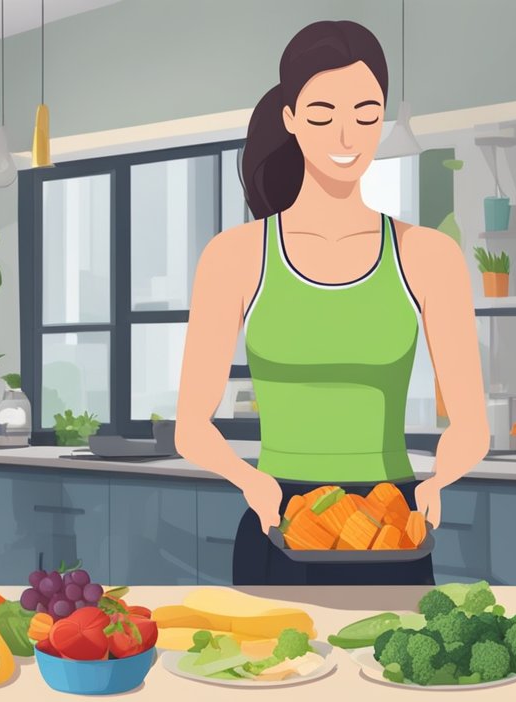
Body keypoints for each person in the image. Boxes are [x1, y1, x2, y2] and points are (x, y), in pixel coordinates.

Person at [176, 19, 488, 585]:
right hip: (279, 517)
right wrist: (249, 480)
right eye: (322, 114)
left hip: (392, 519)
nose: (347, 137)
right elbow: (190, 426)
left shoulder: (429, 256)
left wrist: (440, 479)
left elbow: (471, 423)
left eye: (366, 114)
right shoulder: (235, 255)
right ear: (290, 119)